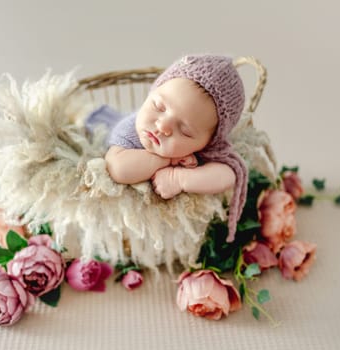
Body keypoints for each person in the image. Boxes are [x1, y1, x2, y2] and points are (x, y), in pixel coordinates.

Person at [104, 54, 248, 242]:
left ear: (209, 141)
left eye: (185, 131)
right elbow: (118, 169)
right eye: (159, 106)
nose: (163, 126)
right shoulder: (131, 128)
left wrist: (179, 178)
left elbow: (229, 175)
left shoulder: (209, 149)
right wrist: (168, 160)